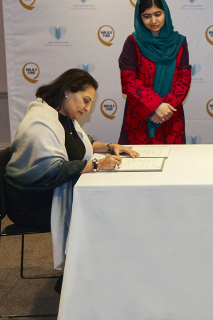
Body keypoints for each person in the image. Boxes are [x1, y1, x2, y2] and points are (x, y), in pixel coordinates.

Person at [5, 69, 138, 286]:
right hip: (31, 203)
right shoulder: (39, 124)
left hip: (49, 192)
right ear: (67, 92)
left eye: (90, 104)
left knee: (105, 201)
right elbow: (52, 170)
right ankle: (77, 280)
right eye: (85, 101)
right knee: (100, 208)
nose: (87, 108)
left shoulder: (62, 118)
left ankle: (91, 272)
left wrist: (109, 146)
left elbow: (79, 144)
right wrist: (95, 164)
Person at [118, 0, 191, 144]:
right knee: (139, 163)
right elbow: (129, 81)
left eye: (158, 14)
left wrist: (166, 109)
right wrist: (155, 106)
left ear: (166, 13)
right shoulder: (132, 42)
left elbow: (183, 79)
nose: (153, 20)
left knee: (174, 163)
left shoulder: (179, 42)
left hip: (170, 116)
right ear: (140, 18)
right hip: (141, 116)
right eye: (147, 16)